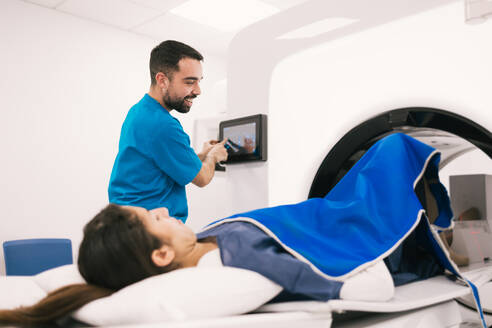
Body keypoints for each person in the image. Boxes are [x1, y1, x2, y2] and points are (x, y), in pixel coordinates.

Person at [108, 40, 228, 223]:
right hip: (148, 229)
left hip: (126, 223)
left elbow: (161, 162)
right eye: (190, 82)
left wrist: (202, 154)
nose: (198, 91)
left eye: (199, 82)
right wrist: (214, 157)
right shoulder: (163, 125)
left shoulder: (139, 111)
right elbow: (202, 178)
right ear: (162, 80)